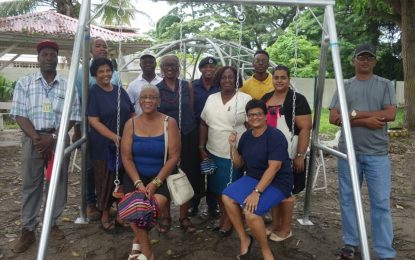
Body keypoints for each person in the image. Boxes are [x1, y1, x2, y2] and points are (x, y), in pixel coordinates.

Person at [10, 40, 81, 253]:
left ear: (57, 59)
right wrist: (36, 138)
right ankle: (28, 229)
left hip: (57, 140)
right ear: (38, 59)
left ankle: (52, 223)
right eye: (45, 55)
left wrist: (54, 136)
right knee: (31, 184)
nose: (49, 58)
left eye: (53, 55)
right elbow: (19, 114)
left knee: (57, 182)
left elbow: (73, 114)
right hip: (33, 140)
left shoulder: (67, 86)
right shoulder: (25, 83)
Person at [329, 43, 397, 260]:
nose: (365, 61)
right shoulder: (344, 85)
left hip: (377, 154)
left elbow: (391, 114)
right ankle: (351, 243)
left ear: (374, 61)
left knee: (380, 203)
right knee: (348, 199)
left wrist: (354, 115)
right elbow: (333, 118)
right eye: (361, 57)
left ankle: (385, 252)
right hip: (349, 153)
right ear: (354, 61)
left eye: (369, 58)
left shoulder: (385, 84)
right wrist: (364, 120)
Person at [222, 100, 293, 260]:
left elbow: (274, 168)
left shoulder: (275, 136)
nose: (255, 117)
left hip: (279, 181)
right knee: (227, 196)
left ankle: (265, 250)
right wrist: (232, 146)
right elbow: (239, 163)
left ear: (265, 115)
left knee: (251, 213)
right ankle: (244, 239)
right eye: (251, 115)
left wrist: (256, 192)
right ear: (247, 118)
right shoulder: (247, 136)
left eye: (258, 114)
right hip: (254, 177)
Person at [121, 84, 180, 260]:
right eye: (144, 97)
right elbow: (127, 157)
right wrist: (138, 183)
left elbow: (174, 157)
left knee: (146, 211)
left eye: (152, 97)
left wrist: (155, 183)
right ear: (139, 101)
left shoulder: (169, 122)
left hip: (162, 176)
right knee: (134, 211)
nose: (148, 100)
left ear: (158, 101)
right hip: (135, 176)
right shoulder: (130, 124)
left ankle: (138, 246)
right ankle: (148, 252)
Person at [261, 65, 312, 241]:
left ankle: (286, 228)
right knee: (272, 191)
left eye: (283, 77)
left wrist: (300, 155)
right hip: (269, 154)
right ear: (272, 79)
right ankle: (275, 224)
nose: (279, 81)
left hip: (289, 153)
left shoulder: (298, 100)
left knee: (286, 194)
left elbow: (305, 128)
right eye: (276, 77)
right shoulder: (266, 98)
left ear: (289, 80)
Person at [199, 66, 252, 236]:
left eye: (231, 77)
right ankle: (224, 217)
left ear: (237, 79)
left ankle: (229, 222)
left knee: (229, 191)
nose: (227, 80)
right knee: (217, 191)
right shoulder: (211, 98)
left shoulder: (245, 99)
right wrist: (201, 146)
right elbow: (203, 123)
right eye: (223, 77)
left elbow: (251, 126)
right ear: (218, 80)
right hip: (213, 150)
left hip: (234, 153)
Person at [73, 37, 122, 221]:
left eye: (105, 46)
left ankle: (108, 203)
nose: (102, 48)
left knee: (109, 168)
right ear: (91, 50)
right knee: (90, 168)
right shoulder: (82, 73)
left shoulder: (114, 73)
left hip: (110, 129)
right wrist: (78, 129)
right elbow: (79, 102)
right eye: (98, 46)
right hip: (90, 128)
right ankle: (91, 204)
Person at [86, 57, 134, 232]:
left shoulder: (120, 90)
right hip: (103, 146)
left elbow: (132, 113)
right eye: (101, 71)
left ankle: (122, 214)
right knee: (105, 180)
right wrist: (114, 137)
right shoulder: (94, 92)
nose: (105, 74)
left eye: (108, 70)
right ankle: (105, 214)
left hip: (125, 144)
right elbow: (93, 120)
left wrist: (131, 135)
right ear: (94, 74)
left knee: (123, 179)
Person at [156, 54, 199, 233]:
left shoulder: (186, 85)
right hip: (166, 136)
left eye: (174, 64)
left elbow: (190, 108)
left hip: (187, 134)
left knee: (187, 173)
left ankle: (184, 216)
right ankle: (166, 217)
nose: (170, 67)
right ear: (162, 68)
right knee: (166, 174)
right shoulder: (157, 88)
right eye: (167, 65)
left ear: (178, 67)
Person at [188, 56, 220, 218]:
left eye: (212, 67)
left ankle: (212, 205)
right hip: (196, 133)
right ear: (201, 69)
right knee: (195, 171)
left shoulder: (220, 87)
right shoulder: (193, 86)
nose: (209, 70)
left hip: (215, 133)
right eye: (206, 67)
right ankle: (194, 203)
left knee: (214, 170)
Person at [127, 50, 162, 115]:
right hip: (139, 123)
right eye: (144, 62)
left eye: (150, 62)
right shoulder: (132, 85)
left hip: (160, 123)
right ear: (140, 64)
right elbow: (129, 107)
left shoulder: (162, 82)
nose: (148, 64)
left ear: (155, 64)